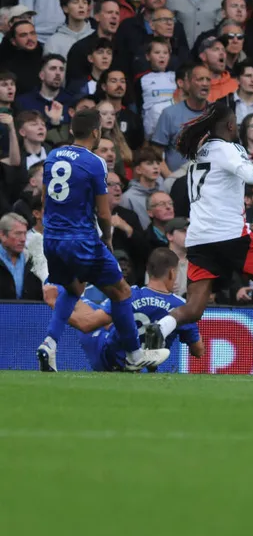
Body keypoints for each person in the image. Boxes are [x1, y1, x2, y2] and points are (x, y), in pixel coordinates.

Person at [141, 99, 253, 375]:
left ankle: (159, 327)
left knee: (194, 308)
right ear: (231, 125)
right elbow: (250, 174)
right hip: (230, 236)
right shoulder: (226, 149)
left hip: (200, 238)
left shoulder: (199, 153)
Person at [37, 109, 168, 373]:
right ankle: (133, 354)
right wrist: (107, 240)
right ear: (96, 132)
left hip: (52, 238)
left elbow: (44, 200)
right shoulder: (95, 162)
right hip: (82, 239)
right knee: (122, 291)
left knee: (73, 289)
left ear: (73, 130)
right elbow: (104, 212)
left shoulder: (52, 156)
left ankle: (49, 344)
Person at [43, 249, 205, 372]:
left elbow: (87, 324)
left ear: (148, 271)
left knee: (86, 307)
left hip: (109, 360)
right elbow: (198, 351)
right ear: (172, 273)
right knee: (96, 314)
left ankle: (50, 281)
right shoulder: (182, 308)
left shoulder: (130, 293)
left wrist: (53, 305)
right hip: (144, 369)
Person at [0, 211, 43, 300]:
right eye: (18, 234)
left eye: (24, 233)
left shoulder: (33, 262)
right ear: (3, 235)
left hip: (27, 313)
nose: (23, 239)